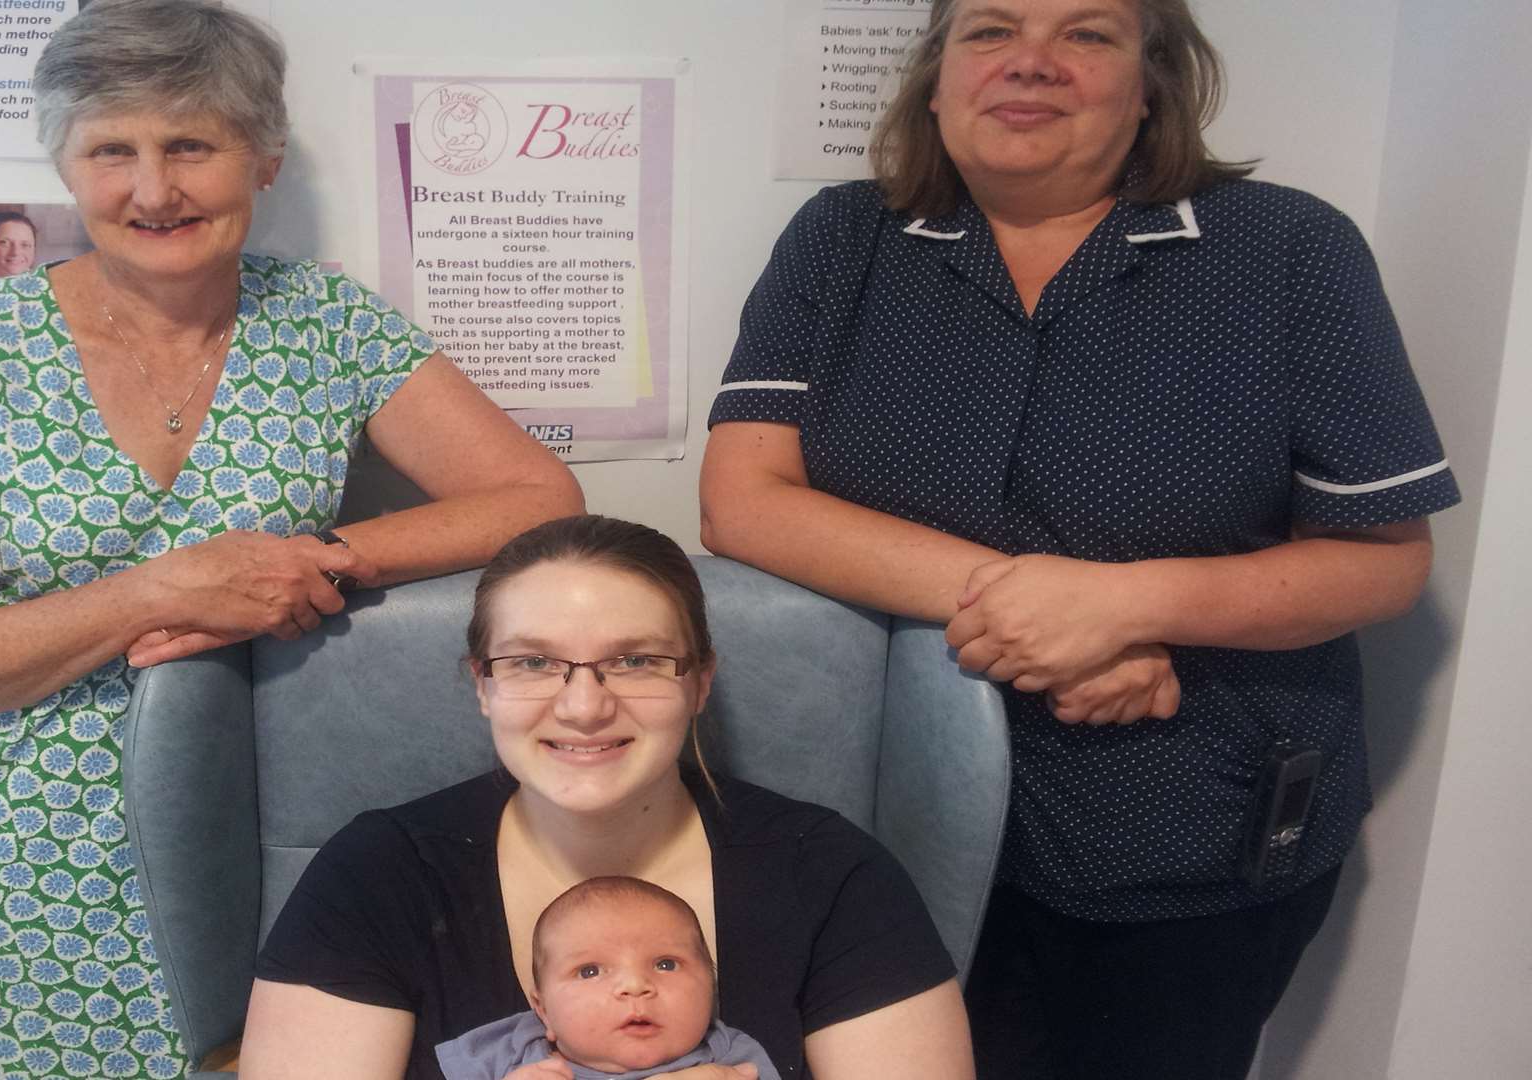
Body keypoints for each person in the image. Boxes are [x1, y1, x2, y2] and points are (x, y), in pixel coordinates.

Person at [699, 1, 1460, 1077]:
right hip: (890, 816)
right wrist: (1053, 610)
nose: (1033, 64)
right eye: (991, 31)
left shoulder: (1289, 251)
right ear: (936, 73)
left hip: (1186, 826)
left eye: (1088, 35)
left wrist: (1134, 605)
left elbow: (1386, 557)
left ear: (1153, 82)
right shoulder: (844, 236)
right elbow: (745, 501)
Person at [0, 1, 582, 1077]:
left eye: (191, 143)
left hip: (252, 836)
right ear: (67, 166)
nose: (153, 189)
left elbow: (538, 496)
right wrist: (166, 588)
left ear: (263, 154)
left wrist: (326, 559)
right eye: (112, 151)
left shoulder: (327, 322)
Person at [242, 515, 974, 1080]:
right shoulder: (377, 875)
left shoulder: (832, 877)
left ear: (700, 682)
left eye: (636, 661)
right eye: (533, 662)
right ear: (481, 685)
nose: (584, 707)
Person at [434, 876, 781, 1080]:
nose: (635, 986)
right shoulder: (506, 1051)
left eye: (666, 964)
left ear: (711, 988)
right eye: (589, 971)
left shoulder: (730, 1057)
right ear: (542, 1010)